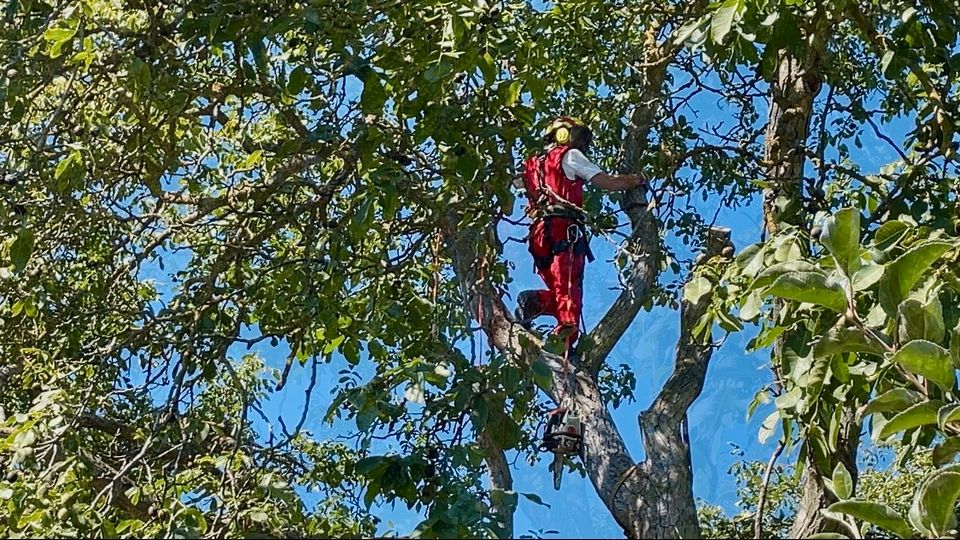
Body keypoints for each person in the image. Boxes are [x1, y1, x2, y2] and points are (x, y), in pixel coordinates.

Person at [515, 117, 646, 347]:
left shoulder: (531, 164)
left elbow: (516, 184)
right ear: (564, 135)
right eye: (580, 139)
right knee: (569, 295)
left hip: (539, 236)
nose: (582, 146)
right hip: (563, 230)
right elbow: (608, 182)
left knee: (560, 292)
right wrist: (636, 180)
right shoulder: (570, 156)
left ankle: (534, 302)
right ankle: (563, 347)